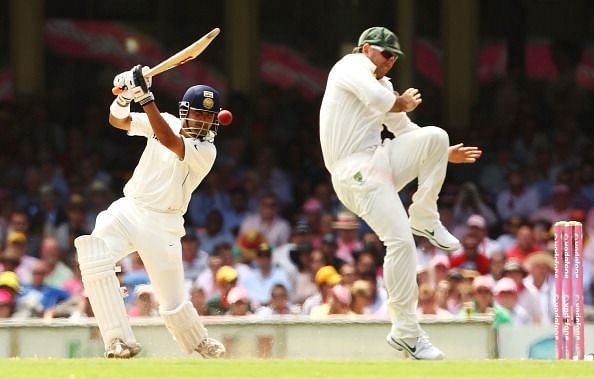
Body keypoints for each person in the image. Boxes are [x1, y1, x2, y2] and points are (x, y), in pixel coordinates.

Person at [319, 26, 482, 360]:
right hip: (354, 173)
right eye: (385, 53)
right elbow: (382, 102)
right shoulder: (350, 68)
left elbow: (405, 130)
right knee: (401, 243)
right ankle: (406, 331)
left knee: (435, 136)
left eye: (395, 56)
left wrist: (441, 153)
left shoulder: (384, 85)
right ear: (366, 49)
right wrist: (401, 102)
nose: (391, 61)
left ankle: (424, 215)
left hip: (378, 162)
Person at [73, 64, 226, 359]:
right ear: (185, 111)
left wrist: (145, 96)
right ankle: (118, 340)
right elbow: (118, 122)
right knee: (93, 254)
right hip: (130, 208)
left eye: (209, 116)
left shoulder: (207, 151)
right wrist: (124, 97)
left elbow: (169, 141)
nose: (203, 121)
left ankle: (198, 341)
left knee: (171, 301)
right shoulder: (164, 120)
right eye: (198, 113)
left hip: (163, 223)